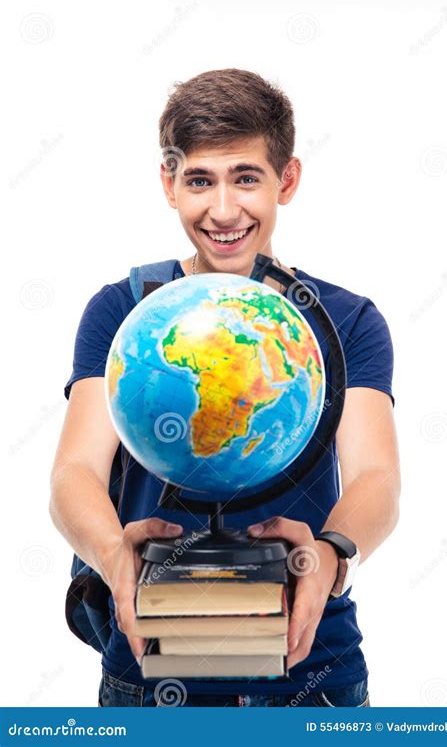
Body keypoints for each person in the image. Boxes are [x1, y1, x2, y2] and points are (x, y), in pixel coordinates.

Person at [49, 68, 400, 708]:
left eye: (246, 178)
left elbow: (377, 477)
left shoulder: (347, 320)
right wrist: (111, 553)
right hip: (153, 664)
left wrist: (332, 554)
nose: (223, 210)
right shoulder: (122, 313)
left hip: (312, 665)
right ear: (169, 183)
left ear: (286, 180)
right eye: (199, 181)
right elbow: (74, 470)